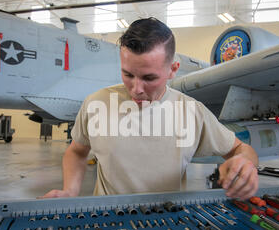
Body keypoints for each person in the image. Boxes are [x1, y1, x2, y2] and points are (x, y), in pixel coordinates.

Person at [41, 18, 258, 200]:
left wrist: (246, 164)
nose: (136, 89)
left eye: (149, 78)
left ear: (173, 70)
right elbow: (77, 151)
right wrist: (70, 190)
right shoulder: (96, 103)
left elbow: (241, 149)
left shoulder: (192, 112)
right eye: (128, 74)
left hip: (167, 225)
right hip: (106, 224)